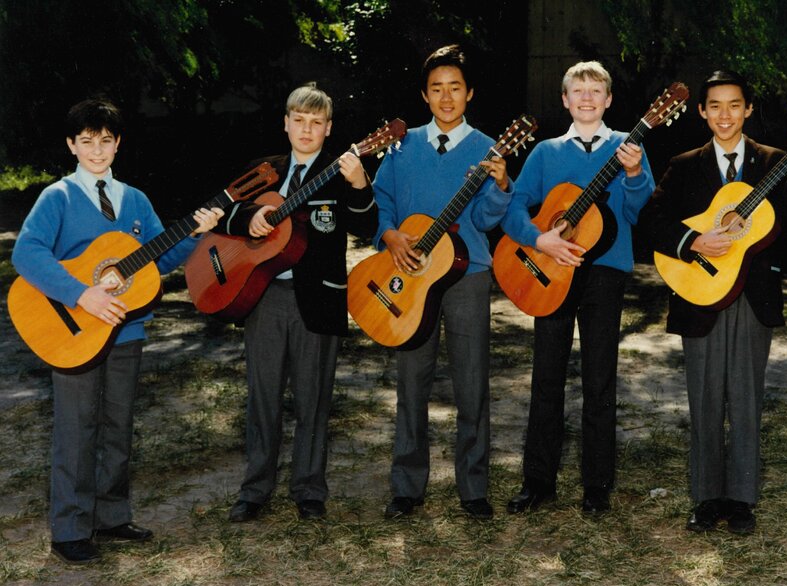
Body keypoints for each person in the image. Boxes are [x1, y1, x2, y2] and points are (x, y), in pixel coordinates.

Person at [11, 99, 223, 564]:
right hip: (74, 331)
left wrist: (193, 233)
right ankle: (70, 527)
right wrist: (79, 294)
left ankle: (111, 516)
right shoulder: (58, 197)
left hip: (126, 333)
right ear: (71, 144)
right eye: (86, 141)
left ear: (118, 143)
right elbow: (26, 254)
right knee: (76, 430)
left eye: (105, 140)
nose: (96, 150)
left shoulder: (135, 200)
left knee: (116, 428)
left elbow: (158, 260)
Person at [641, 70, 787, 533]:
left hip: (753, 296)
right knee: (703, 398)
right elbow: (652, 222)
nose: (725, 115)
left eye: (734, 105)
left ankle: (740, 499)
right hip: (699, 292)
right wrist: (693, 241)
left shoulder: (775, 162)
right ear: (701, 112)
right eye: (715, 106)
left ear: (748, 109)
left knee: (745, 398)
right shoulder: (684, 165)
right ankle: (705, 498)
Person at [502, 61, 654, 516]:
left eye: (596, 90)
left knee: (599, 379)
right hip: (549, 269)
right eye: (578, 91)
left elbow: (634, 213)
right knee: (546, 377)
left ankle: (597, 485)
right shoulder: (546, 153)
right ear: (565, 100)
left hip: (604, 272)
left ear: (609, 100)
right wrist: (538, 238)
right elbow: (514, 207)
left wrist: (633, 176)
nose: (587, 98)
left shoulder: (627, 148)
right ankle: (538, 481)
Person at [222, 83, 376, 523]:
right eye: (299, 120)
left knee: (313, 400)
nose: (306, 129)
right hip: (263, 296)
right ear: (286, 123)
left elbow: (368, 226)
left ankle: (310, 489)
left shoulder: (340, 172)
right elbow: (224, 214)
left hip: (318, 300)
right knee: (262, 398)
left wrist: (361, 184)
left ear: (328, 129)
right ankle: (255, 490)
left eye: (316, 123)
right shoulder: (263, 170)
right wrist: (245, 217)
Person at [373, 44, 512, 520]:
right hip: (410, 275)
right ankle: (406, 487)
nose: (446, 97)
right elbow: (381, 202)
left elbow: (488, 218)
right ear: (424, 95)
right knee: (412, 382)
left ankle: (474, 489)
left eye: (456, 88)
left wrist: (500, 186)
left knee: (472, 383)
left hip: (467, 276)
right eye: (437, 89)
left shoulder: (487, 147)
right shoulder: (401, 145)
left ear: (470, 94)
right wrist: (389, 235)